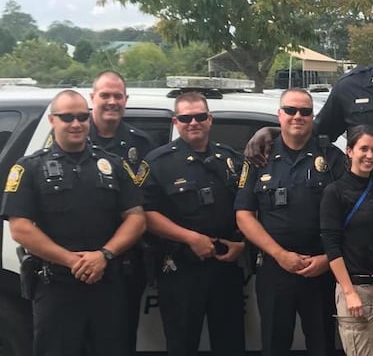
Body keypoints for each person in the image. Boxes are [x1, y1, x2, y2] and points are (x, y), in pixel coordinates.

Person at [246, 14, 373, 356]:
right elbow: (315, 132)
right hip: (365, 217)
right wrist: (270, 131)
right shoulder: (349, 87)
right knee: (366, 307)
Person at [1, 90, 146, 356]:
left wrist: (104, 255)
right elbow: (20, 227)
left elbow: (136, 218)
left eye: (82, 116)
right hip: (56, 285)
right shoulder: (30, 168)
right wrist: (71, 261)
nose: (76, 124)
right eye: (67, 117)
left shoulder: (114, 165)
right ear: (52, 120)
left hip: (108, 283)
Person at [236, 88, 345, 356]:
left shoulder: (332, 158)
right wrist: (280, 255)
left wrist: (327, 259)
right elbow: (244, 215)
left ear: (312, 117)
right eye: (290, 110)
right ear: (279, 115)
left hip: (321, 269)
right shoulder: (259, 156)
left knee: (323, 346)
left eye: (305, 111)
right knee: (274, 344)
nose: (298, 116)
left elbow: (350, 214)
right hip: (275, 269)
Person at [139, 92, 246, 356]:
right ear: (175, 122)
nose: (193, 122)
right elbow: (144, 214)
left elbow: (249, 208)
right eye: (186, 118)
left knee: (231, 344)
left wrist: (243, 245)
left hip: (225, 266)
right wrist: (190, 238)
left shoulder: (230, 160)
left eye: (200, 116)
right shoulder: (158, 163)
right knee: (182, 344)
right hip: (181, 269)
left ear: (210, 119)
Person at [89, 70, 156, 355]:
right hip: (78, 258)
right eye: (105, 95)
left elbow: (153, 199)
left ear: (126, 100)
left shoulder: (142, 144)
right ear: (92, 98)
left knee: (121, 338)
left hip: (126, 261)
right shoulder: (71, 135)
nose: (112, 101)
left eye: (118, 96)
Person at [320, 124, 373, 356]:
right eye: (363, 149)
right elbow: (331, 246)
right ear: (349, 151)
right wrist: (349, 292)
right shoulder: (335, 192)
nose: (370, 155)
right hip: (357, 291)